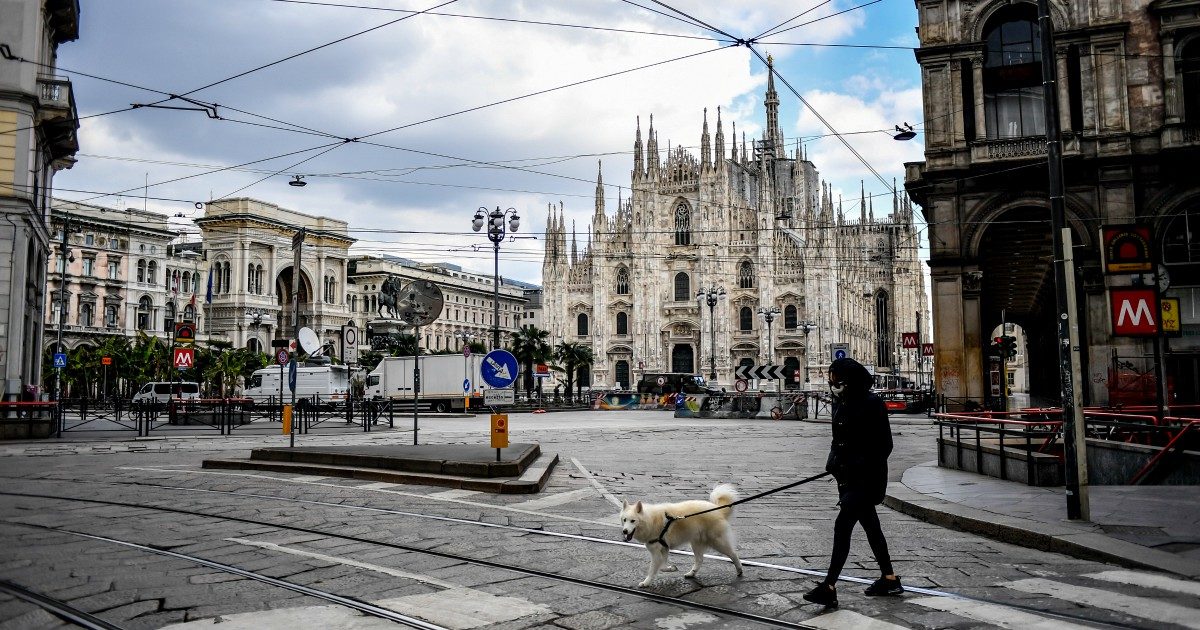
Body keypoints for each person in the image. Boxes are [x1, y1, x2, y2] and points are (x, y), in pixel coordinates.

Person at [803, 357, 902, 609]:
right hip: (846, 478)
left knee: (842, 526)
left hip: (865, 480)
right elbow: (839, 441)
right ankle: (889, 578)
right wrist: (833, 463)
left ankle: (829, 585)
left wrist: (857, 465)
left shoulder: (872, 403)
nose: (831, 381)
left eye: (834, 376)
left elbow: (884, 446)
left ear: (848, 379)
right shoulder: (842, 402)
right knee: (871, 527)